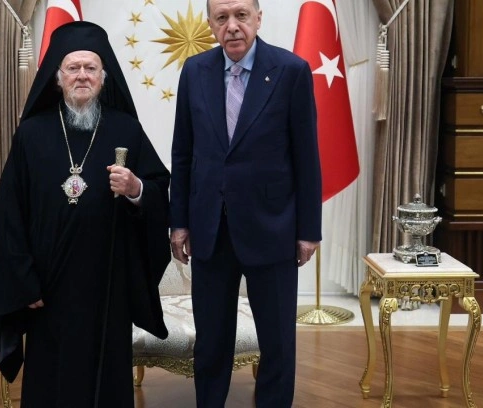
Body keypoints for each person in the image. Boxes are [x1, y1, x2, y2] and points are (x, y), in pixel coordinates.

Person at [0, 21, 171, 408]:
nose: (82, 75)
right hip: (48, 287)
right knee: (52, 377)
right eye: (73, 67)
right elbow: (11, 215)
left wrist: (135, 188)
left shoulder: (126, 128)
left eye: (90, 68)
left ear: (103, 77)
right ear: (58, 77)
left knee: (106, 378)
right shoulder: (31, 134)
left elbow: (156, 189)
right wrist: (23, 282)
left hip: (108, 285)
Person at [169, 0, 322, 407]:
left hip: (273, 226)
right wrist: (178, 222)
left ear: (258, 18)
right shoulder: (195, 71)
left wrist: (309, 230)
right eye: (222, 18)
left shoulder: (291, 70)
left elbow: (307, 156)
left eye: (241, 15)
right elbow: (183, 153)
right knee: (211, 342)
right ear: (210, 24)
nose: (232, 26)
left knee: (277, 342)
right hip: (210, 228)